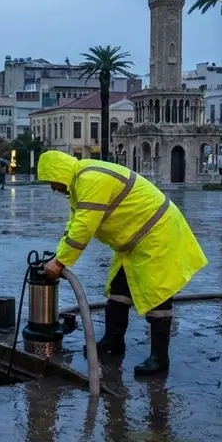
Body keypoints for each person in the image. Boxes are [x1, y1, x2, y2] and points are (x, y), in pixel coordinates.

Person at [37, 151, 207, 377]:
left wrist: (59, 263)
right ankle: (112, 342)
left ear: (59, 172)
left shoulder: (90, 179)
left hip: (157, 235)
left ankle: (159, 358)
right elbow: (74, 224)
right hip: (135, 242)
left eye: (51, 181)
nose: (52, 188)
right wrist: (58, 257)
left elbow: (83, 229)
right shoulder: (81, 183)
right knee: (119, 291)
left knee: (158, 294)